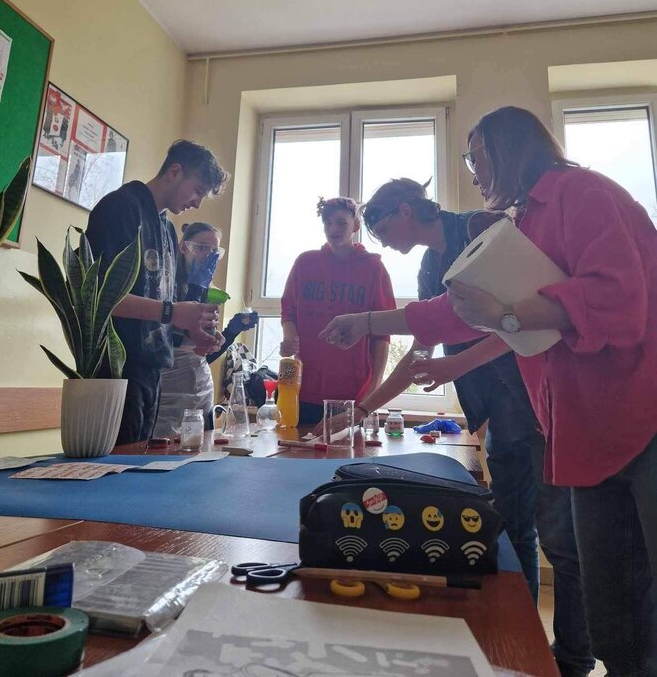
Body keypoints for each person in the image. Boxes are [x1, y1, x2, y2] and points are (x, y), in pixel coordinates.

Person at [320, 106, 657, 677]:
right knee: (615, 617)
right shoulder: (522, 221)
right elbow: (454, 314)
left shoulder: (581, 193)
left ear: (507, 148)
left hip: (635, 416)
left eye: (475, 157)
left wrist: (504, 316)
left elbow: (616, 303)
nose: (473, 172)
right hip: (580, 427)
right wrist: (366, 321)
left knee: (613, 590)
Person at [345, 177, 593, 675]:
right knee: (512, 531)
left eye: (380, 227)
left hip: (536, 400)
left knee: (560, 538)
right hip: (496, 411)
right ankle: (519, 640)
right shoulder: (429, 266)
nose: (382, 241)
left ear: (406, 209)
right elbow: (423, 345)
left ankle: (572, 659)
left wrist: (455, 364)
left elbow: (522, 319)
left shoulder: (481, 228)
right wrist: (364, 408)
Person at [86, 139, 229, 445]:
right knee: (116, 468)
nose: (197, 203)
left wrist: (191, 332)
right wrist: (173, 312)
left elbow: (162, 303)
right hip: (115, 372)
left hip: (154, 372)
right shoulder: (121, 208)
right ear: (175, 172)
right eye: (198, 190)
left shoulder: (167, 228)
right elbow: (101, 297)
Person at [280, 196, 396, 424]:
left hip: (353, 393)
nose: (333, 229)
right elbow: (288, 312)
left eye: (341, 223)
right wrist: (289, 338)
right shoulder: (305, 263)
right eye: (328, 223)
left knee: (348, 448)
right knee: (297, 446)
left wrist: (373, 390)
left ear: (355, 225)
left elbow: (382, 335)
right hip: (303, 388)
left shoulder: (373, 268)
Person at [153, 221, 258, 437]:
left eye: (214, 251)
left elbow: (203, 355)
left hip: (201, 388)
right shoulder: (164, 286)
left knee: (200, 447)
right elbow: (169, 341)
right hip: (167, 389)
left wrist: (232, 330)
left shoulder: (208, 292)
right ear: (184, 248)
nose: (208, 256)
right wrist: (195, 289)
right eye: (201, 248)